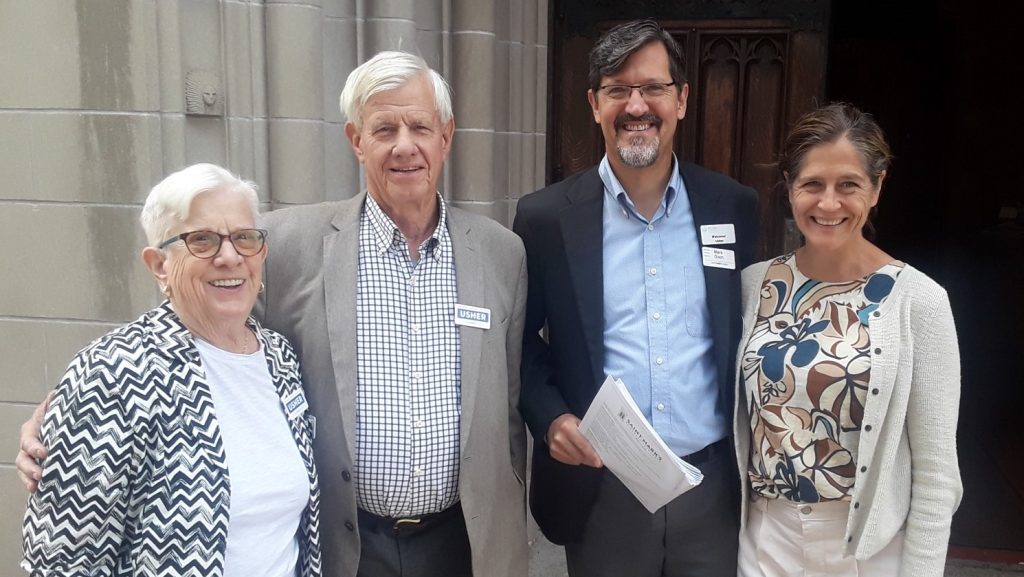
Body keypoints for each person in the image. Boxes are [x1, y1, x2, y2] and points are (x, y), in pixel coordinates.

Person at [18, 51, 529, 577]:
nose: (404, 145)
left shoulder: (500, 253)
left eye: (419, 127)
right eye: (384, 129)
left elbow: (509, 407)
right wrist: (71, 411)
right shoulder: (282, 244)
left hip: (462, 542)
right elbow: (194, 319)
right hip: (344, 546)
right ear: (356, 140)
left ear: (446, 136)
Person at [514, 19, 759, 577]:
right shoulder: (546, 218)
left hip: (711, 489)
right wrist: (551, 418)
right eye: (618, 89)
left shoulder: (731, 207)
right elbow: (521, 343)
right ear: (594, 104)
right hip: (603, 490)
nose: (636, 105)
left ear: (682, 99)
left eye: (653, 87)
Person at [19, 163, 322, 576]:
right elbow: (61, 562)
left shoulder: (280, 358)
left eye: (243, 238)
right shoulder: (114, 371)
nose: (229, 257)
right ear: (159, 264)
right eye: (202, 240)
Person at [733, 103, 962, 576]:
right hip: (764, 539)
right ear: (789, 187)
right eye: (812, 184)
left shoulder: (919, 302)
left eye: (849, 185)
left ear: (877, 187)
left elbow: (937, 475)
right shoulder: (754, 285)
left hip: (866, 550)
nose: (828, 204)